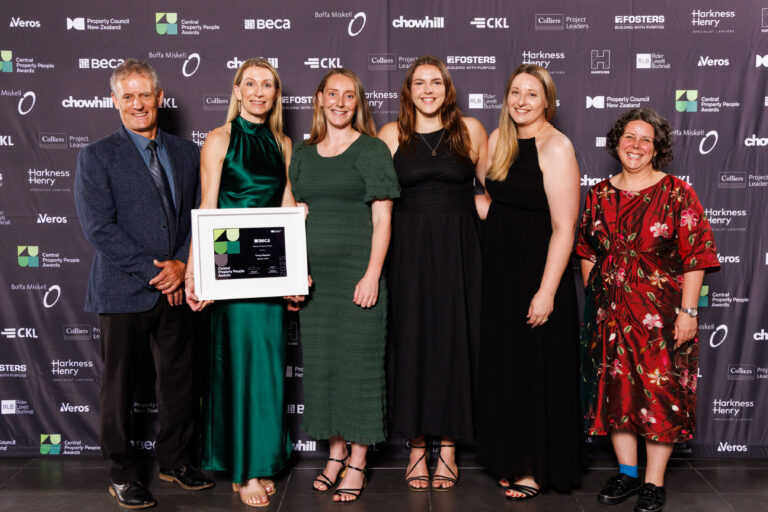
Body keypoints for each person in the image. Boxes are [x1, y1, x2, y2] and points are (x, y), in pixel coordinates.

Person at [74, 59, 213, 510]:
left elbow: (200, 215)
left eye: (145, 95)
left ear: (160, 98)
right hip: (124, 289)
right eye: (128, 96)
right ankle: (121, 473)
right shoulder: (96, 156)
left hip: (178, 287)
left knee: (180, 380)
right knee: (120, 387)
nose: (138, 104)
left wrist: (182, 267)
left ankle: (175, 459)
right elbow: (100, 228)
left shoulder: (187, 152)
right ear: (115, 102)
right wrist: (159, 272)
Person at [576, 108, 719, 512]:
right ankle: (628, 473)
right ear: (616, 142)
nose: (635, 145)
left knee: (661, 395)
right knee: (615, 393)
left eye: (645, 139)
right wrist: (596, 295)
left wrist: (688, 312)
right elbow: (586, 249)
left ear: (657, 149)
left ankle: (654, 482)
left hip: (662, 315)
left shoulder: (677, 192)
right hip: (610, 315)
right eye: (629, 137)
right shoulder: (599, 193)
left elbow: (697, 256)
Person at [184, 57, 293, 508]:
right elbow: (207, 209)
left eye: (267, 84)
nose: (259, 92)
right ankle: (243, 469)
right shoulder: (219, 140)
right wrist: (195, 272)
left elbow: (288, 206)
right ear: (236, 89)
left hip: (269, 271)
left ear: (275, 94)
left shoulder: (283, 143)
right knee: (238, 369)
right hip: (230, 270)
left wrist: (296, 266)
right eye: (250, 83)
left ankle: (260, 460)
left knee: (266, 370)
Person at [288, 68, 400, 503]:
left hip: (358, 276)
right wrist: (296, 272)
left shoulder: (371, 150)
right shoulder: (301, 153)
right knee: (324, 367)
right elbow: (291, 214)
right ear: (319, 99)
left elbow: (383, 217)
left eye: (348, 96)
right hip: (317, 281)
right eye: (331, 94)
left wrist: (372, 274)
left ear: (358, 103)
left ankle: (357, 460)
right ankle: (333, 455)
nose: (339, 102)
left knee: (360, 366)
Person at [378, 55, 487, 491]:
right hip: (408, 251)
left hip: (461, 249)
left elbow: (493, 189)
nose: (428, 90)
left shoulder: (471, 130)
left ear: (447, 89)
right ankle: (418, 445)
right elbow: (376, 200)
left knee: (454, 341)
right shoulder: (391, 134)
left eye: (436, 82)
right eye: (419, 83)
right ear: (408, 91)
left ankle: (450, 446)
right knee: (412, 342)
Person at [474, 64, 582, 501]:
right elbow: (492, 199)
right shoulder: (497, 141)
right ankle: (511, 457)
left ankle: (536, 467)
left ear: (547, 101)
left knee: (537, 370)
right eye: (515, 92)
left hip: (539, 273)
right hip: (499, 271)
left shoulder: (556, 147)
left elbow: (564, 227)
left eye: (531, 94)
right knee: (506, 368)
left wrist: (547, 291)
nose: (521, 101)